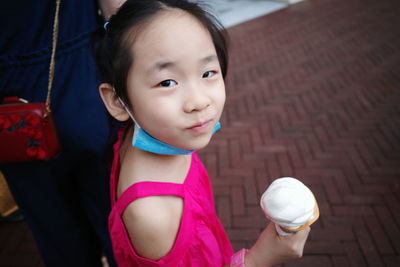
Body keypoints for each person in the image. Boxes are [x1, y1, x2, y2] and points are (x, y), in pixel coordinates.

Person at [96, 0, 311, 266]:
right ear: (118, 102)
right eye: (167, 82)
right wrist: (261, 258)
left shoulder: (152, 134)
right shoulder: (152, 214)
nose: (198, 101)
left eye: (208, 72)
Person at [0, 0, 123, 266]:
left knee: (55, 228)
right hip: (84, 75)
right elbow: (118, 11)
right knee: (115, 214)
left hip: (11, 107)